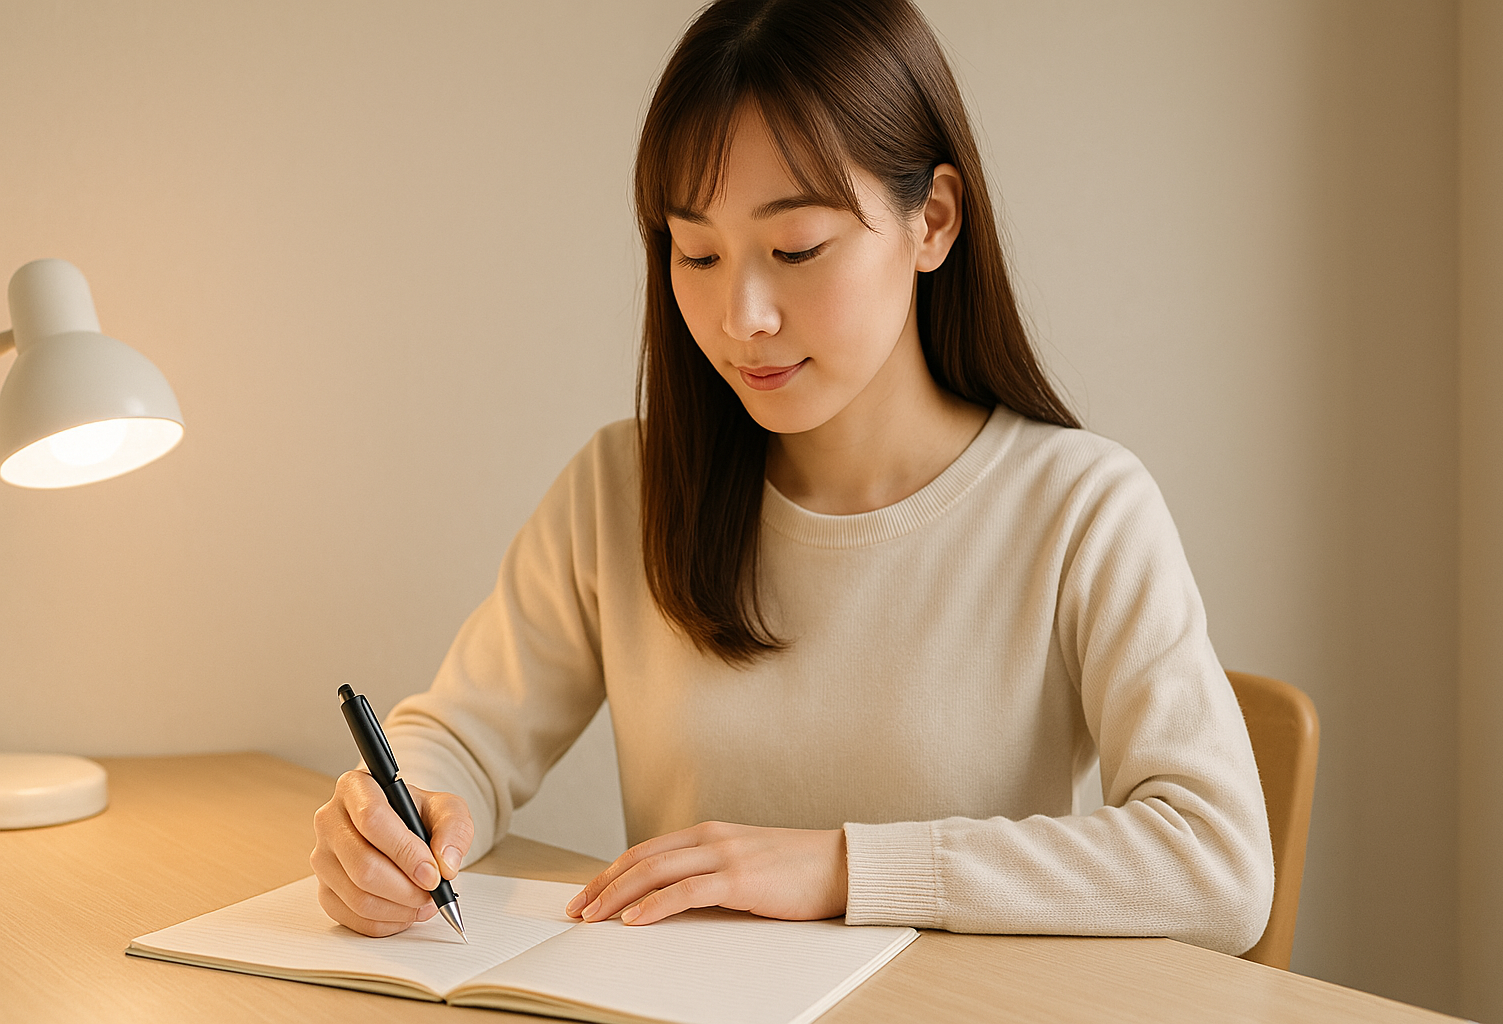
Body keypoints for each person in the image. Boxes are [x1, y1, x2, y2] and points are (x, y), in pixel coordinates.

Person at [310, 0, 1274, 956]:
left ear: (931, 220)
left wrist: (843, 870)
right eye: (697, 253)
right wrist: (397, 823)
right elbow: (462, 743)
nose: (743, 316)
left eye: (796, 248)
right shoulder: (625, 487)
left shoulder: (1079, 510)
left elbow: (1218, 866)